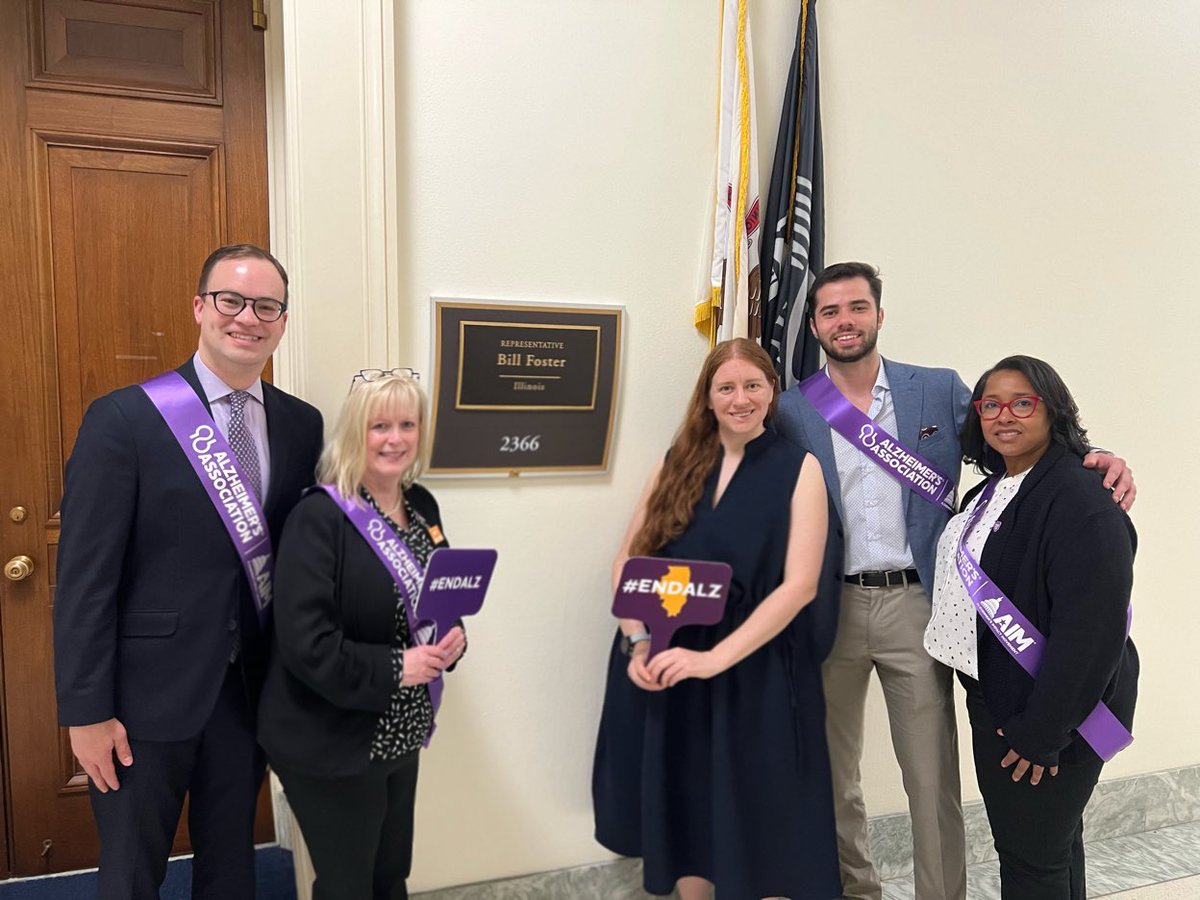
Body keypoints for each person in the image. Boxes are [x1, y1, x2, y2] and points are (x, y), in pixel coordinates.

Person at [773, 262, 1136, 900]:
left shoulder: (937, 389)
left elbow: (1015, 429)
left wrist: (1096, 457)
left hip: (915, 602)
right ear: (815, 325)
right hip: (829, 607)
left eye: (857, 307)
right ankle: (853, 889)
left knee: (930, 775)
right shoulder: (794, 409)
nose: (845, 321)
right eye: (830, 312)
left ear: (879, 315)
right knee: (833, 773)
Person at [54, 244, 324, 899]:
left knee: (231, 866)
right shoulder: (124, 420)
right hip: (141, 702)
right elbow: (85, 580)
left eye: (267, 306)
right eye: (231, 300)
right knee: (130, 874)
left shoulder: (301, 425)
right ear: (200, 307)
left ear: (283, 321)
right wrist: (85, 712)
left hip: (246, 695)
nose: (247, 318)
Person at [592, 338, 843, 900]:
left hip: (756, 672)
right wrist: (638, 644)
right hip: (670, 662)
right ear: (707, 397)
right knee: (689, 813)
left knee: (765, 820)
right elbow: (629, 562)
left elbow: (800, 585)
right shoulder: (678, 459)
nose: (740, 399)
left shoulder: (798, 468)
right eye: (726, 387)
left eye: (752, 385)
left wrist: (713, 660)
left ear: (771, 391)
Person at [924, 355, 1137, 899]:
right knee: (1053, 850)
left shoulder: (1081, 498)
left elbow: (1090, 631)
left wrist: (1043, 733)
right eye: (990, 404)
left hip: (1046, 714)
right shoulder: (994, 489)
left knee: (1029, 862)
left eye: (1023, 402)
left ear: (1052, 410)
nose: (1005, 416)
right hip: (1000, 698)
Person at [258, 369, 466, 900]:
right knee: (349, 885)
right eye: (379, 426)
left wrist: (452, 636)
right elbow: (307, 645)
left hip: (402, 728)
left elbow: (440, 595)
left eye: (406, 424)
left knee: (390, 874)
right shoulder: (319, 517)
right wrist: (399, 667)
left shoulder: (422, 506)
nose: (395, 438)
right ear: (356, 432)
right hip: (329, 735)